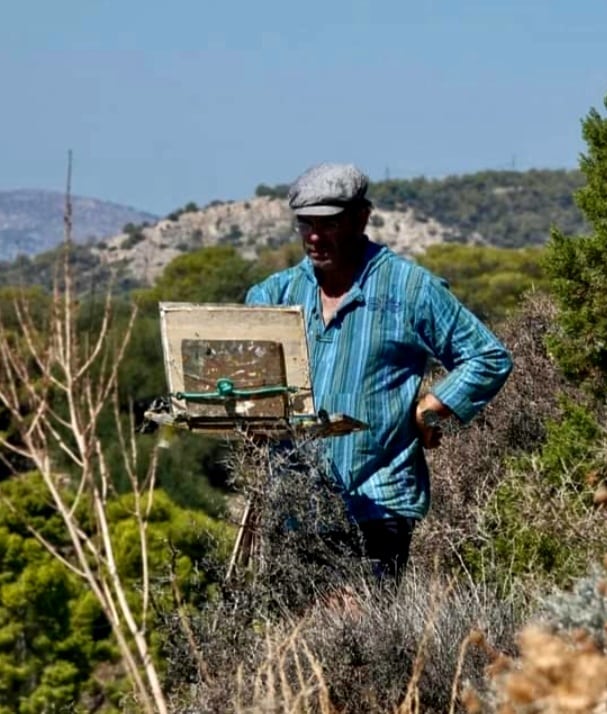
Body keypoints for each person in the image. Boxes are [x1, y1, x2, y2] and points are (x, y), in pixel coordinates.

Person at [245, 163, 512, 578]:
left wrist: (434, 406)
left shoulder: (409, 288)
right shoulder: (273, 295)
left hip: (378, 500)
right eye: (305, 224)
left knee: (360, 633)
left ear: (361, 218)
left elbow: (487, 356)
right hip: (295, 506)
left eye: (329, 223)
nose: (314, 237)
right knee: (300, 638)